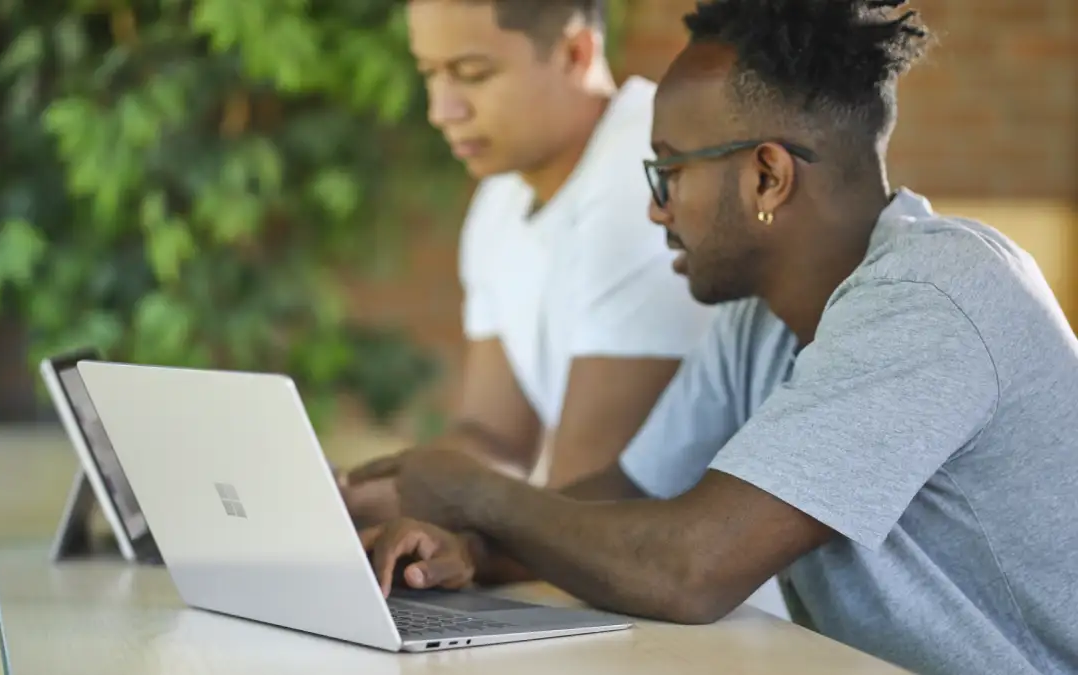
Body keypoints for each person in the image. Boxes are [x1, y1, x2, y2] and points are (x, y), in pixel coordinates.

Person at [348, 2, 1078, 675]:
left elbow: (690, 568)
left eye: (667, 171)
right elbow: (623, 493)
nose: (654, 209)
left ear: (767, 177)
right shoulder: (755, 318)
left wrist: (477, 494)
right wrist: (470, 552)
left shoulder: (932, 298)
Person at [342, 0, 721, 570]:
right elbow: (492, 441)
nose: (442, 110)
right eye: (430, 74)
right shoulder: (502, 196)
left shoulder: (642, 178)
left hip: (704, 611)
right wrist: (345, 496)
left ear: (576, 52)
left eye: (473, 74)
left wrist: (462, 549)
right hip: (598, 577)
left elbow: (585, 501)